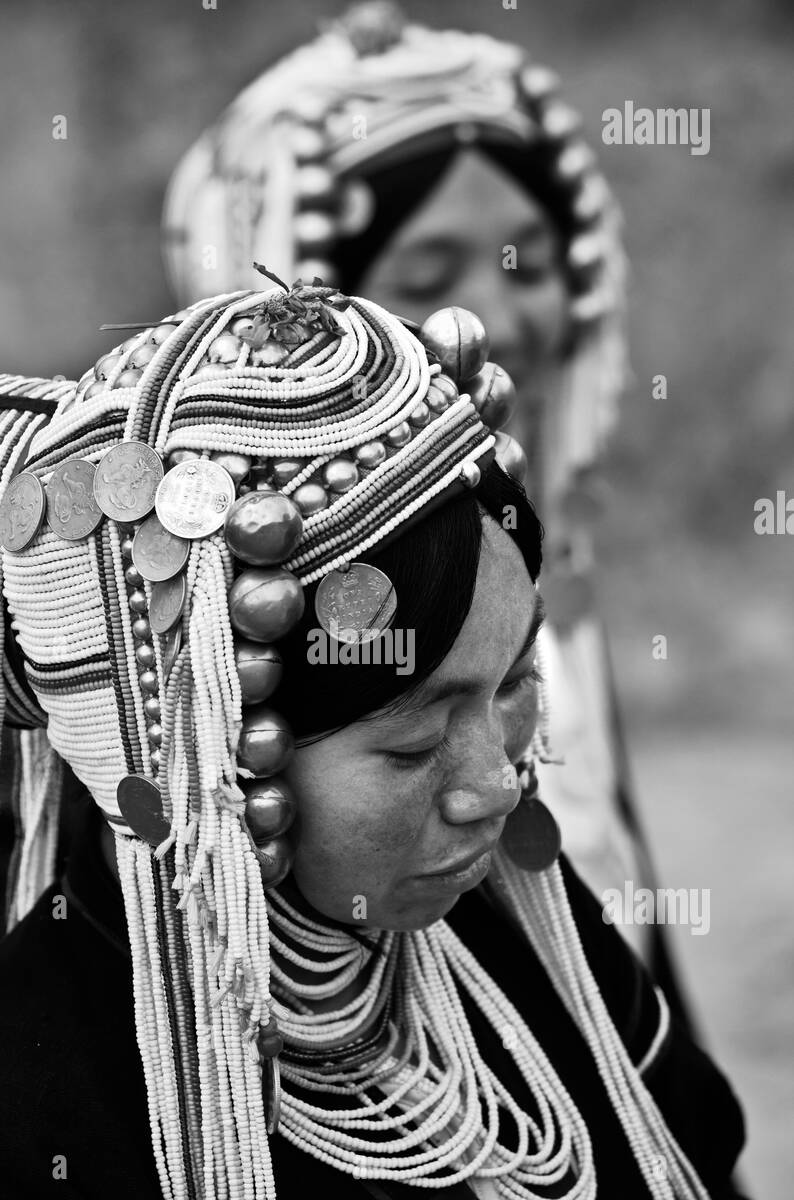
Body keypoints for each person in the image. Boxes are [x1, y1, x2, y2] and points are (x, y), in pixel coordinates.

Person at [0, 281, 788, 1200]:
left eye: (512, 684)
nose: (494, 785)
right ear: (206, 763)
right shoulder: (18, 1144)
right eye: (412, 745)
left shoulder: (512, 944)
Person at [161, 3, 651, 921]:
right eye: (426, 280)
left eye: (531, 261)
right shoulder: (218, 619)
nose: (492, 320)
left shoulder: (525, 551)